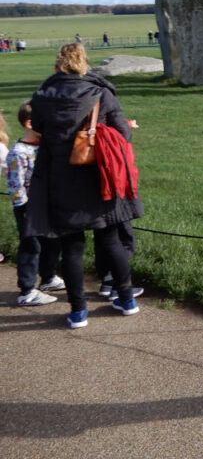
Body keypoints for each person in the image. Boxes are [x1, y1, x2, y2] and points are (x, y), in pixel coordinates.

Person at [23, 42, 143, 329]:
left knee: (72, 248)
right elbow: (123, 132)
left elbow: (37, 128)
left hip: (60, 177)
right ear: (83, 62)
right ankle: (126, 299)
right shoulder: (100, 91)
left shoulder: (42, 95)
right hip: (99, 174)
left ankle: (78, 311)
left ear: (58, 63)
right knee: (111, 239)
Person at [8, 102, 65, 306]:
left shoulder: (44, 147)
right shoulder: (18, 152)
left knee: (52, 242)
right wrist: (24, 208)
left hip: (47, 204)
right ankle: (26, 290)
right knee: (31, 246)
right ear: (31, 123)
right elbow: (15, 186)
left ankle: (48, 277)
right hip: (28, 209)